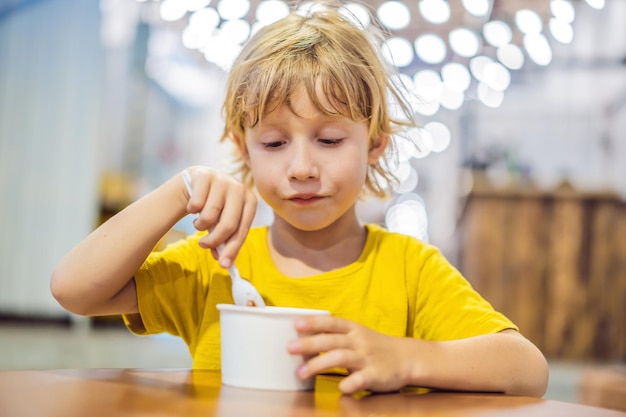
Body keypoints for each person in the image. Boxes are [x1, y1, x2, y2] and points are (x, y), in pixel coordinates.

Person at [51, 1, 549, 397]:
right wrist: (178, 193)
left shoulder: (408, 269)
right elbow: (74, 289)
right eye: (273, 143)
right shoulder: (219, 262)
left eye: (329, 140)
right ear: (243, 147)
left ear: (375, 144)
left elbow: (527, 369)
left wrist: (405, 358)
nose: (303, 167)